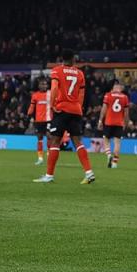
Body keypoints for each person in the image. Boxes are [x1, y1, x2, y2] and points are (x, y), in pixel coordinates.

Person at [34, 50, 95, 184]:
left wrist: (52, 104)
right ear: (73, 59)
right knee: (77, 142)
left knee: (55, 141)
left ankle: (49, 176)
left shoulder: (57, 70)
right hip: (75, 110)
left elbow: (55, 88)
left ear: (62, 59)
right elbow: (81, 94)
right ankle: (89, 173)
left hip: (62, 109)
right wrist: (78, 107)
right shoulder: (80, 73)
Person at [99, 80, 130, 169]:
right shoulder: (125, 97)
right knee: (117, 143)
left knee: (106, 140)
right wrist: (126, 123)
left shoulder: (108, 95)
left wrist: (100, 120)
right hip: (119, 123)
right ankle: (115, 163)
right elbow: (126, 113)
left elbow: (104, 109)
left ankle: (109, 155)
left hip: (108, 122)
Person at [27, 78, 50, 166]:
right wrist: (28, 114)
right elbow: (32, 107)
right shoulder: (35, 95)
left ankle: (49, 156)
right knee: (39, 138)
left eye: (45, 84)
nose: (44, 86)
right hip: (39, 120)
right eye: (42, 84)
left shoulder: (50, 94)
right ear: (39, 86)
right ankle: (40, 158)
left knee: (49, 136)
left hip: (49, 119)